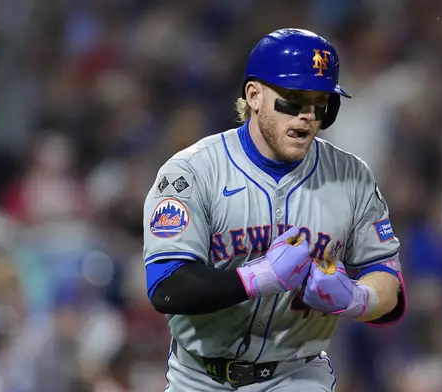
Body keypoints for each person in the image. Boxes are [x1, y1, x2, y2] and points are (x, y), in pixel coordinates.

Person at [143, 28, 406, 391]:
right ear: (253, 95)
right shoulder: (192, 172)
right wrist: (259, 277)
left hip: (297, 374)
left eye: (320, 103)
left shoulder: (352, 177)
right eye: (293, 100)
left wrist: (356, 297)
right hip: (200, 377)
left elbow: (389, 285)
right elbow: (167, 287)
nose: (307, 116)